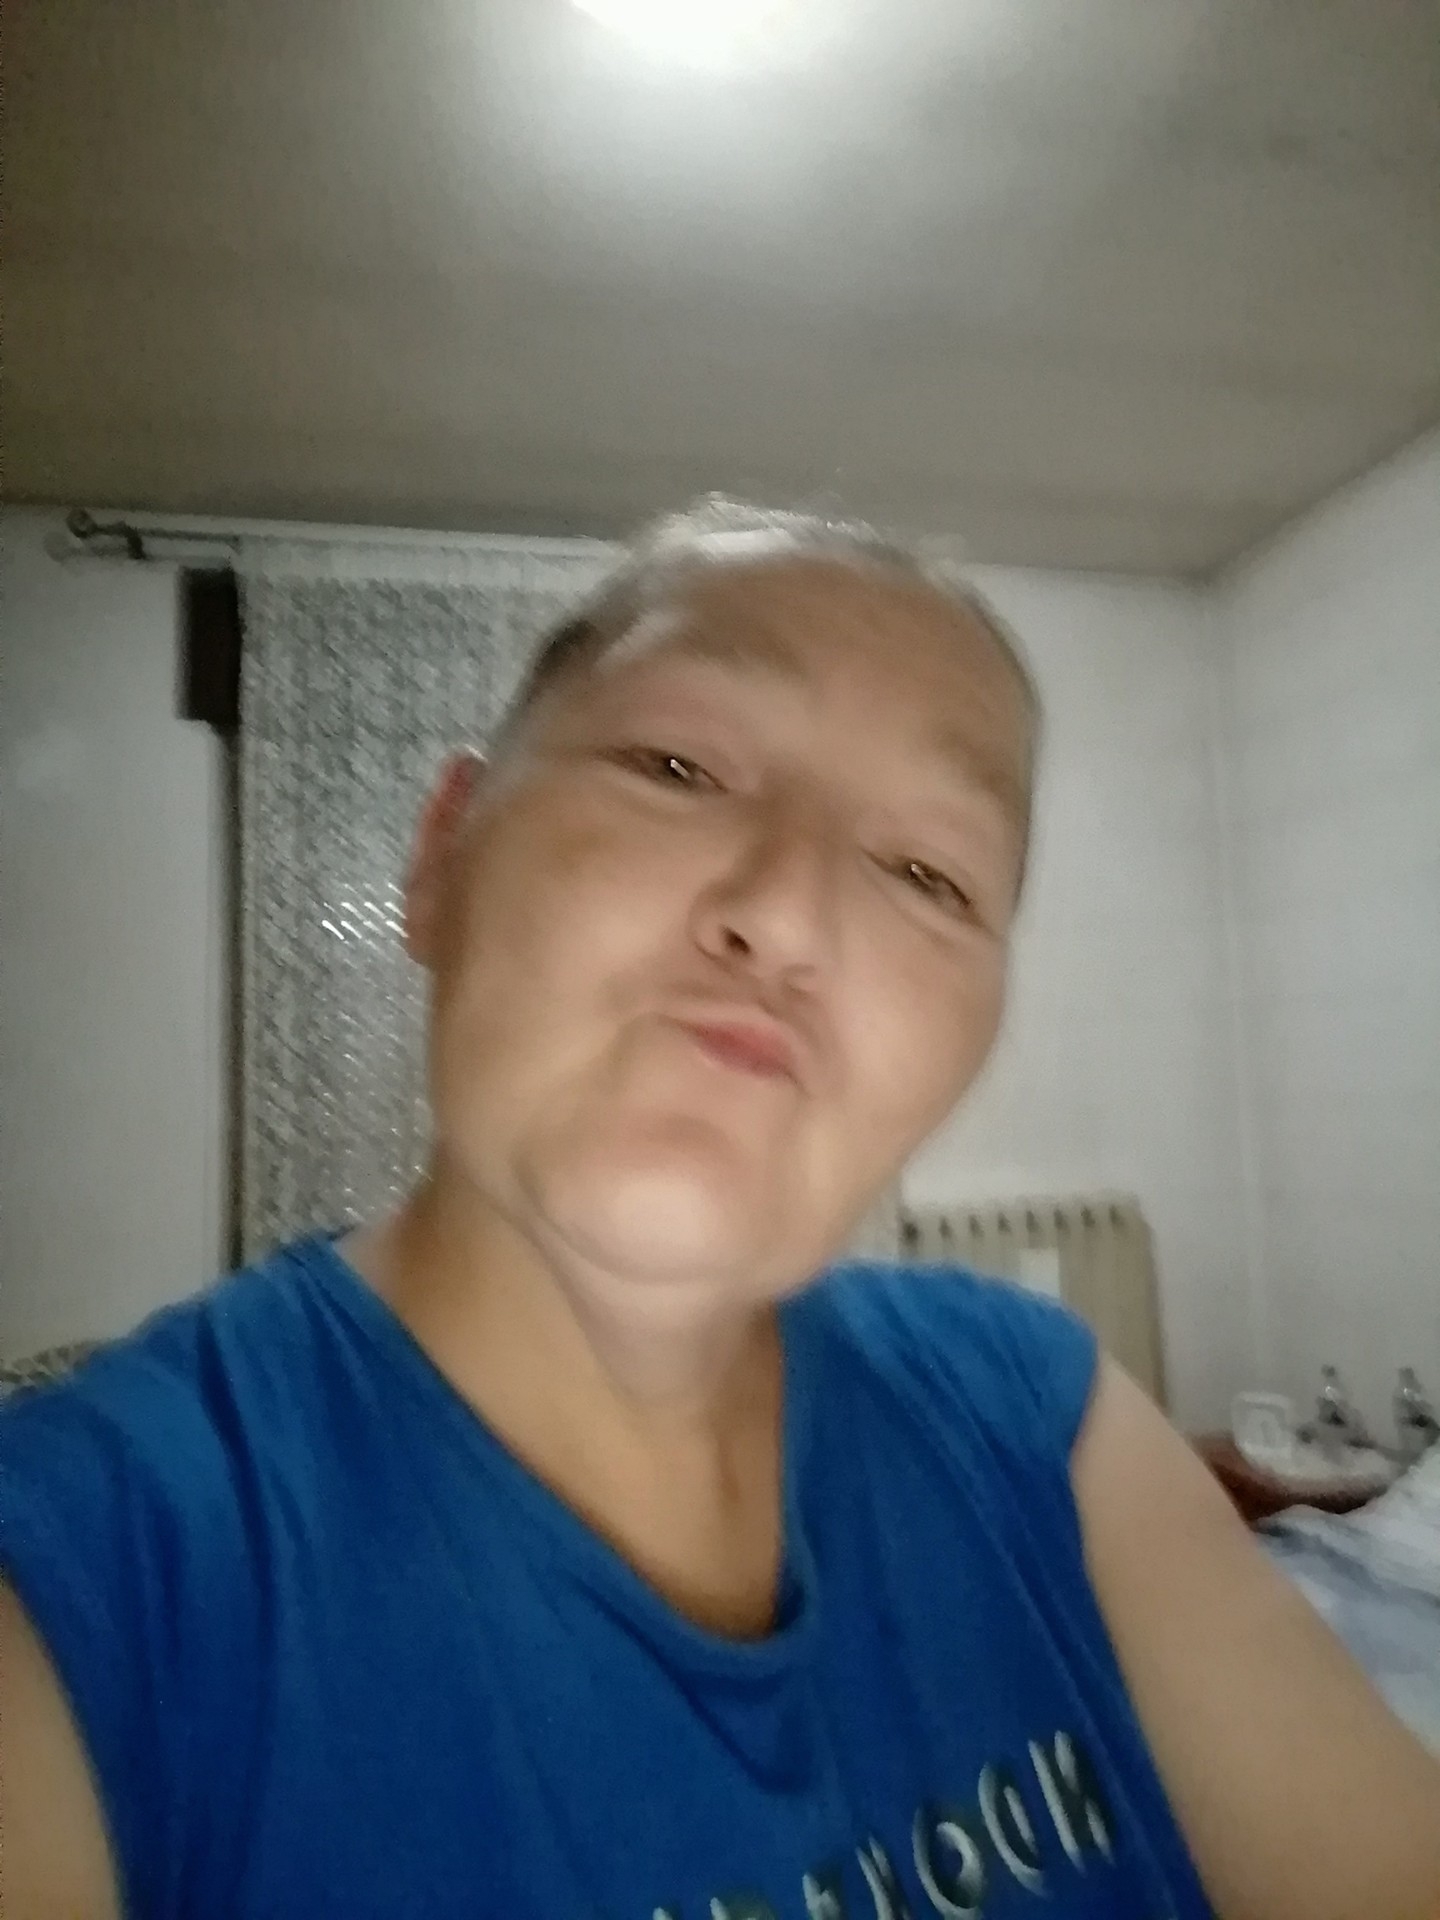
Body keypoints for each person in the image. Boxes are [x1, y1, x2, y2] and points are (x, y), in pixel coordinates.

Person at [3, 501, 1437, 1920]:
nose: (790, 914)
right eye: (677, 766)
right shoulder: (87, 1584)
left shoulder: (1045, 1420)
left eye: (928, 874)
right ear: (442, 855)